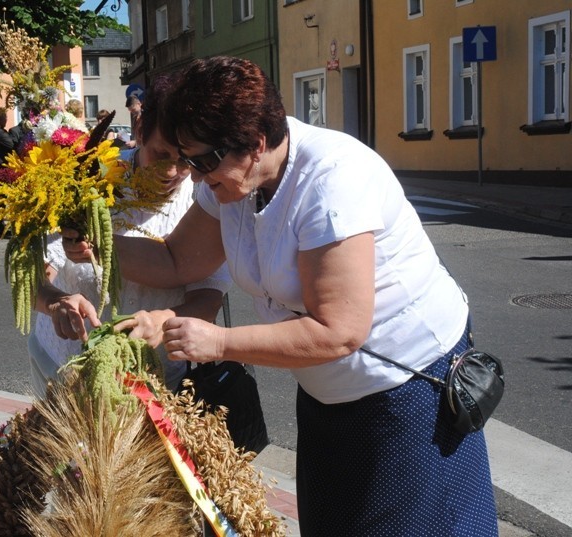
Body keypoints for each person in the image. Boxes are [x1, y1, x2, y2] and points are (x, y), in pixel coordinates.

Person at [62, 56, 498, 536]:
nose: (194, 174)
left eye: (203, 160)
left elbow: (339, 331)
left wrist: (220, 342)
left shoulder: (332, 181)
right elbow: (177, 261)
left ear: (255, 143)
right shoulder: (231, 180)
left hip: (406, 392)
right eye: (188, 158)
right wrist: (97, 243)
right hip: (330, 395)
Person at [27, 75, 232, 398]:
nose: (170, 172)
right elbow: (32, 277)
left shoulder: (203, 199)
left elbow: (208, 299)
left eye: (184, 160)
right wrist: (56, 302)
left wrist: (162, 321)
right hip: (64, 370)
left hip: (154, 382)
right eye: (160, 154)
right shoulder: (87, 178)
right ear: (139, 131)